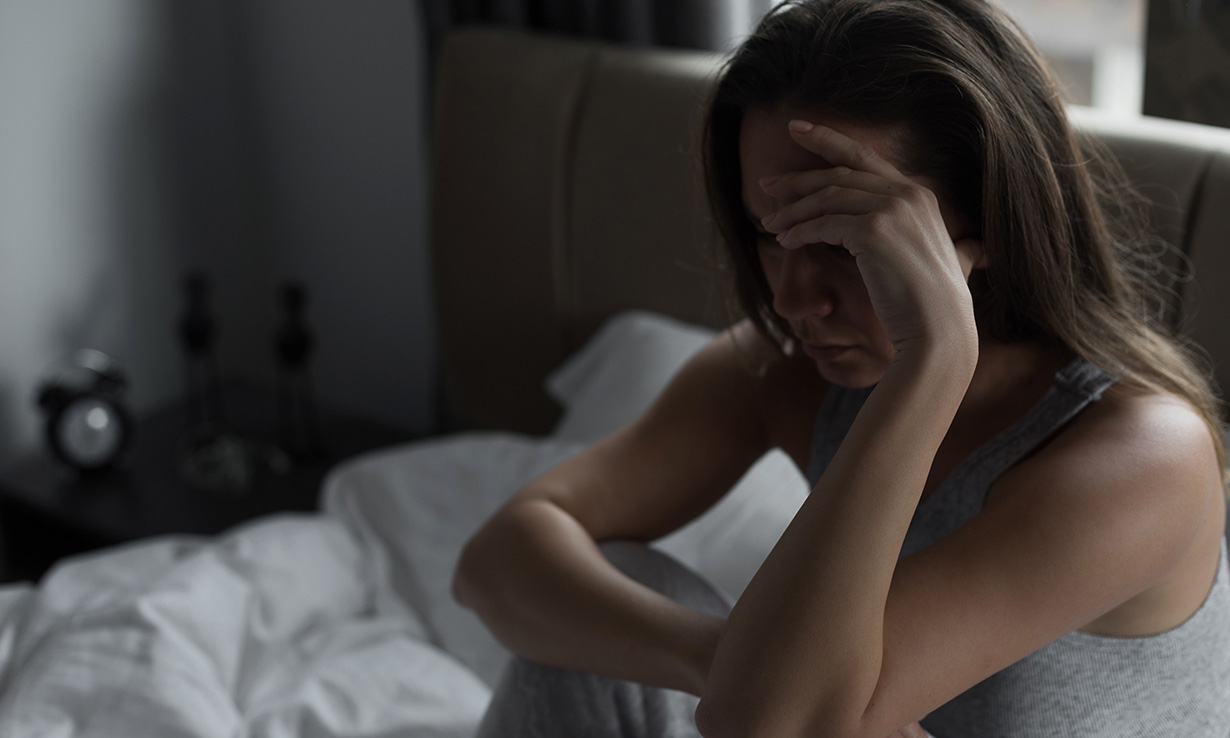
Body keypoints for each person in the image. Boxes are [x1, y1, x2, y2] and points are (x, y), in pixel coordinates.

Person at [452, 0, 1230, 736]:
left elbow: (776, 725)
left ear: (981, 226)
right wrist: (709, 660)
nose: (793, 299)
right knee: (608, 611)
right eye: (767, 234)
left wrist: (933, 361)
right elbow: (497, 557)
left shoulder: (1146, 459)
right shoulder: (787, 376)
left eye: (840, 243)